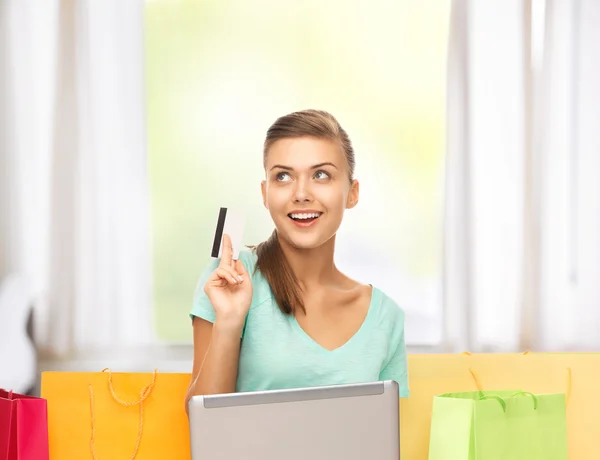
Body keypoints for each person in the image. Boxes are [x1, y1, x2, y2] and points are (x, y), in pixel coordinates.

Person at [185, 109, 409, 411]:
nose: (301, 193)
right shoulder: (229, 279)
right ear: (265, 194)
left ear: (352, 193)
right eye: (283, 176)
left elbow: (389, 439)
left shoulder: (386, 317)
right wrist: (229, 320)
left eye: (321, 175)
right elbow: (205, 427)